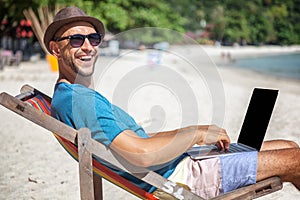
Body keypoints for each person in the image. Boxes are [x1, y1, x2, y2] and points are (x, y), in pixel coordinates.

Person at [44, 6, 300, 199]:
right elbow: (142, 155)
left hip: (183, 162)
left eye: (93, 38)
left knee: (288, 145)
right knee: (296, 159)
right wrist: (196, 134)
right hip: (183, 178)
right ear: (56, 49)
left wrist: (195, 134)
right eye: (76, 40)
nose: (88, 46)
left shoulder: (72, 96)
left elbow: (140, 139)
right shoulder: (79, 101)